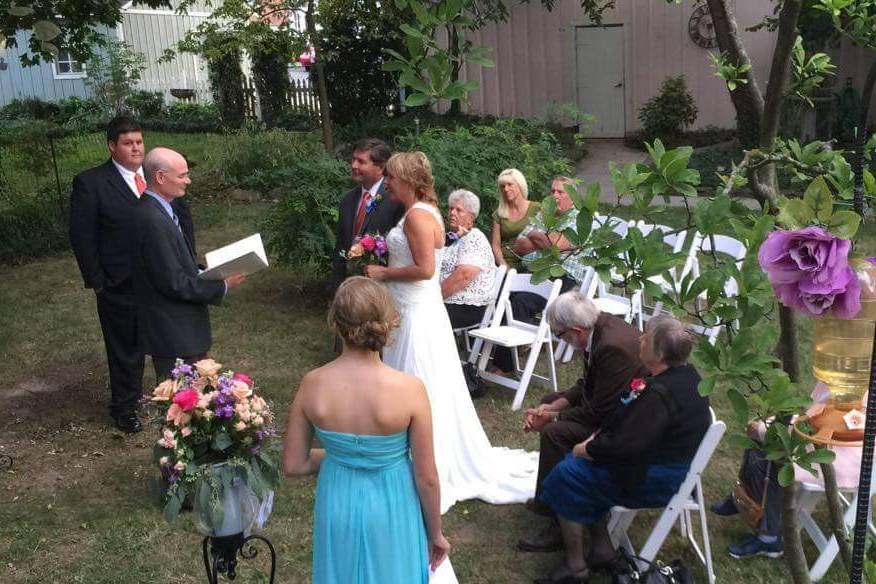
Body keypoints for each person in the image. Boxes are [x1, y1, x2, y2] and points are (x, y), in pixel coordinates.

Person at [362, 151, 538, 519]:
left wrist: (383, 274)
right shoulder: (426, 211)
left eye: (392, 177)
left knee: (418, 380)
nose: (388, 183)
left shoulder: (417, 217)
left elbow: (426, 269)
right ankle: (404, 448)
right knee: (424, 380)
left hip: (416, 310)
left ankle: (424, 457)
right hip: (416, 308)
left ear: (408, 181)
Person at [282, 277, 449, 584]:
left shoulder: (313, 383)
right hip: (393, 499)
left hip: (338, 498)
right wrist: (435, 533)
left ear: (336, 323)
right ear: (387, 323)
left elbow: (294, 463)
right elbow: (426, 478)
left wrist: (339, 455)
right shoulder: (409, 389)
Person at [535, 315, 711, 583]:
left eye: (646, 337)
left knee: (568, 474)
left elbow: (626, 445)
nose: (640, 339)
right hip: (660, 462)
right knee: (579, 468)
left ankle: (576, 566)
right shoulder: (683, 375)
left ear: (660, 352)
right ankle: (603, 550)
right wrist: (595, 440)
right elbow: (629, 428)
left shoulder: (661, 393)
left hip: (660, 477)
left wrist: (588, 448)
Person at [69, 116, 193, 433]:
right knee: (126, 347)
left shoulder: (158, 178)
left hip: (163, 278)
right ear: (112, 146)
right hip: (119, 284)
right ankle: (125, 407)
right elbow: (82, 236)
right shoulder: (92, 183)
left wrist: (188, 264)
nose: (136, 147)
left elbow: (181, 220)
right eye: (128, 142)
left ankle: (182, 402)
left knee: (172, 341)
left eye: (139, 141)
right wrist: (98, 281)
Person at [518, 291, 645, 553]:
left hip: (625, 421)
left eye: (559, 335)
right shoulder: (598, 327)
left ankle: (558, 520)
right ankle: (548, 499)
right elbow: (589, 384)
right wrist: (555, 405)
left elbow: (598, 411)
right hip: (613, 406)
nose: (559, 339)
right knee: (551, 398)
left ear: (576, 330)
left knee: (555, 433)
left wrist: (551, 417)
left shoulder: (611, 346)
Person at [131, 147, 246, 382]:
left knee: (195, 396)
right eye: (182, 176)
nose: (188, 181)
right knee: (183, 404)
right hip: (173, 334)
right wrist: (223, 285)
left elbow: (173, 264)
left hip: (181, 330)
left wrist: (204, 271)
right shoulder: (152, 220)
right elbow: (174, 283)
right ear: (160, 177)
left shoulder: (162, 209)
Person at [491, 177, 584, 374]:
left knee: (521, 302)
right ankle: (492, 345)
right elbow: (519, 245)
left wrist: (535, 236)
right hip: (532, 272)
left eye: (560, 192)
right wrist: (545, 240)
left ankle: (502, 365)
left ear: (573, 197)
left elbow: (557, 246)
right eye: (553, 191)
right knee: (499, 294)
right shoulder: (545, 214)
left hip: (561, 278)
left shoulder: (579, 218)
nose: (554, 196)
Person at [330, 138, 405, 296]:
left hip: (384, 291)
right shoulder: (347, 200)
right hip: (351, 291)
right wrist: (337, 290)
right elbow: (340, 247)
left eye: (361, 162)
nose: (354, 166)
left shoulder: (396, 201)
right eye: (353, 159)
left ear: (380, 166)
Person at [440, 189, 497, 331]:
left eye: (459, 210)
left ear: (471, 217)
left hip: (469, 307)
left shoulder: (475, 238)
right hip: (449, 301)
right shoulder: (454, 238)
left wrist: (433, 298)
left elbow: (464, 276)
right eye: (451, 208)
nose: (452, 213)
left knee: (420, 315)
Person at [490, 168, 540, 268]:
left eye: (510, 184)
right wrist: (504, 268)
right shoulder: (499, 213)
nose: (506, 189)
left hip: (530, 262)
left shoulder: (537, 208)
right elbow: (495, 246)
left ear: (520, 185)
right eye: (503, 186)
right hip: (506, 262)